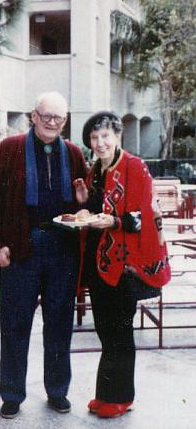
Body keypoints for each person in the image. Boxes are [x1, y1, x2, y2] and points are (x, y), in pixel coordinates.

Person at [0, 92, 87, 419]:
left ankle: (57, 391)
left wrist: (84, 200)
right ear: (33, 116)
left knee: (59, 324)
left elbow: (85, 208)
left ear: (65, 122)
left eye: (58, 118)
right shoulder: (9, 149)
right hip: (21, 249)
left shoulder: (73, 153)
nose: (52, 122)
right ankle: (12, 394)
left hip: (62, 250)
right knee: (15, 324)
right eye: (46, 116)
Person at [74, 111, 171, 419]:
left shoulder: (134, 166)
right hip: (100, 262)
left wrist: (114, 220)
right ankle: (105, 394)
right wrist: (84, 200)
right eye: (94, 137)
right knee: (105, 329)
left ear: (117, 136)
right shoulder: (95, 171)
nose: (99, 143)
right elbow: (94, 213)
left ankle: (121, 397)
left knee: (120, 331)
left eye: (105, 136)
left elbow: (145, 216)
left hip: (125, 264)